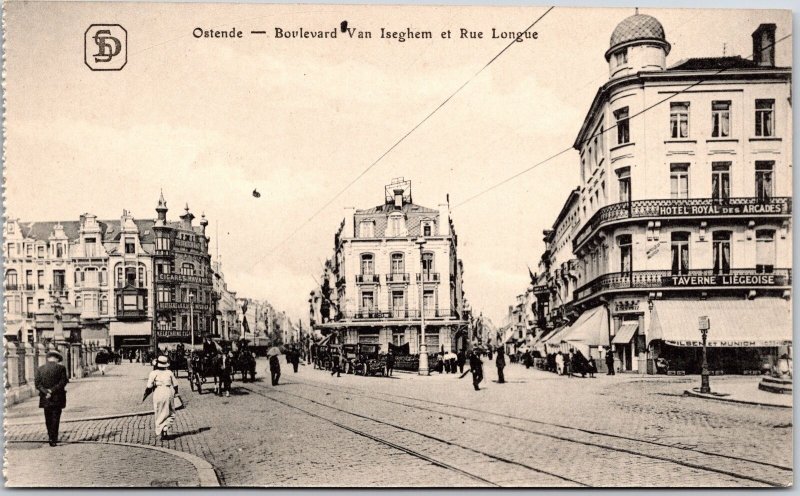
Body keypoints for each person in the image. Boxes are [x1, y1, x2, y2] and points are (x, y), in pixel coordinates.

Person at [35, 351, 69, 447]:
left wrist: (46, 392)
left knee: (48, 417)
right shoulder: (61, 368)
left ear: (48, 358)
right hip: (57, 397)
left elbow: (37, 384)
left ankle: (50, 436)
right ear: (56, 359)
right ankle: (53, 439)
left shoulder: (40, 369)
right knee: (56, 418)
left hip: (45, 397)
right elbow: (63, 382)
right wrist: (52, 391)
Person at [146, 356, 178, 440]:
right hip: (168, 392)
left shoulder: (153, 373)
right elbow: (175, 384)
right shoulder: (169, 372)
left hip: (158, 392)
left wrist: (154, 384)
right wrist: (176, 393)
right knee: (171, 411)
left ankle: (160, 427)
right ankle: (165, 428)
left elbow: (149, 386)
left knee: (158, 411)